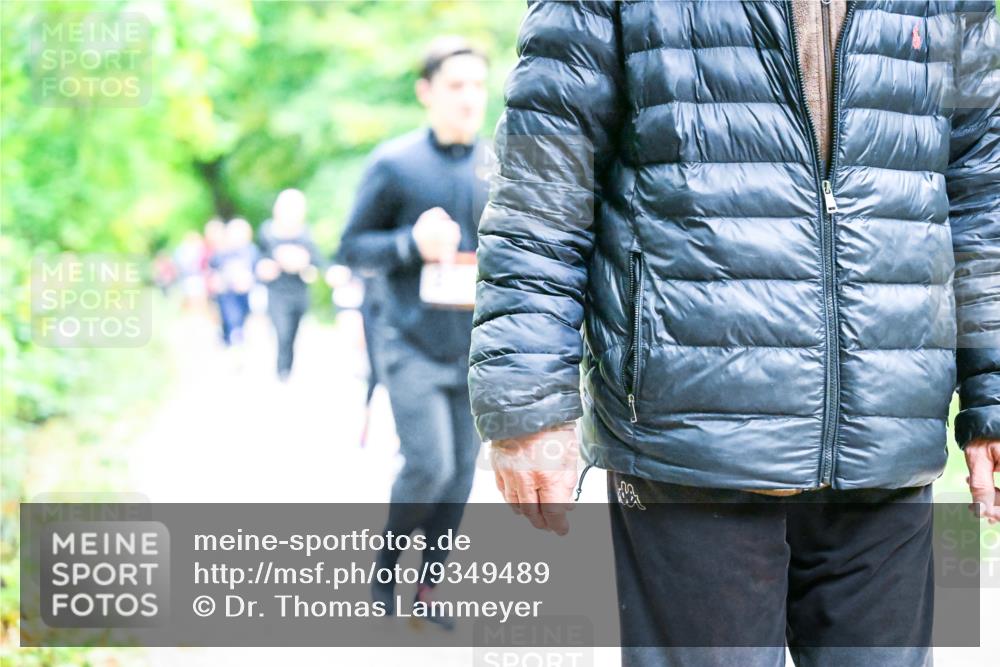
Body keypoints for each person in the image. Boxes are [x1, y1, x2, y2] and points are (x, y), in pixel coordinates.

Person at [470, 2, 999, 666]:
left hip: (887, 435)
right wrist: (527, 399)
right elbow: (544, 180)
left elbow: (982, 191)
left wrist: (992, 394)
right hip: (690, 432)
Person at [337, 36, 491, 627]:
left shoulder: (498, 164)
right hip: (408, 342)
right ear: (426, 92)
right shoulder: (395, 164)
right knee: (428, 464)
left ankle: (429, 591)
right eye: (456, 86)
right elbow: (351, 247)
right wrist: (409, 244)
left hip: (475, 349)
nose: (469, 98)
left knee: (458, 474)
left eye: (478, 86)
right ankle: (385, 570)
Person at [257, 189, 322, 381]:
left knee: (293, 332)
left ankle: (288, 367)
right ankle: (282, 370)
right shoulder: (268, 232)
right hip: (277, 291)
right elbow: (258, 260)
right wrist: (267, 267)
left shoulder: (305, 233)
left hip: (299, 291)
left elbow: (316, 263)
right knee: (282, 331)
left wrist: (304, 265)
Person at [210, 218, 258, 347]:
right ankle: (232, 341)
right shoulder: (222, 252)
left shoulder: (252, 251)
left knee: (243, 318)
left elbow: (258, 271)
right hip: (227, 293)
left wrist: (249, 280)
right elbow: (214, 269)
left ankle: (236, 339)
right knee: (230, 319)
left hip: (246, 293)